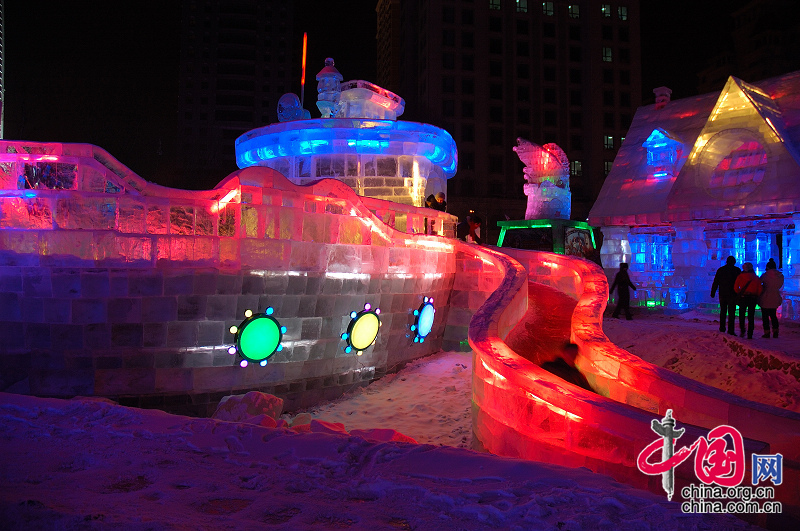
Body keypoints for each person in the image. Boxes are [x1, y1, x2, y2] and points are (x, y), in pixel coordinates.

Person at [710, 256, 741, 335]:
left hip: (723, 293)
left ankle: (722, 328)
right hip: (733, 294)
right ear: (734, 262)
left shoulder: (721, 270)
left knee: (723, 311)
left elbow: (716, 282)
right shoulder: (737, 270)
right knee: (731, 313)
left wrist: (713, 292)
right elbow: (740, 283)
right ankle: (731, 330)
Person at [733, 262, 762, 339]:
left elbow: (736, 288)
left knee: (741, 315)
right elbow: (760, 289)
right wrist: (756, 295)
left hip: (743, 297)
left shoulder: (740, 277)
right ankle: (750, 333)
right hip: (752, 298)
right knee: (751, 316)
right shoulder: (756, 278)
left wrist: (740, 293)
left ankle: (742, 330)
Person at [759, 258, 784, 338]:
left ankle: (767, 332)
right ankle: (776, 331)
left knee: (765, 316)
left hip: (765, 297)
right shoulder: (780, 276)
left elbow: (759, 284)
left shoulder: (765, 275)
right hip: (775, 297)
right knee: (773, 315)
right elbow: (780, 287)